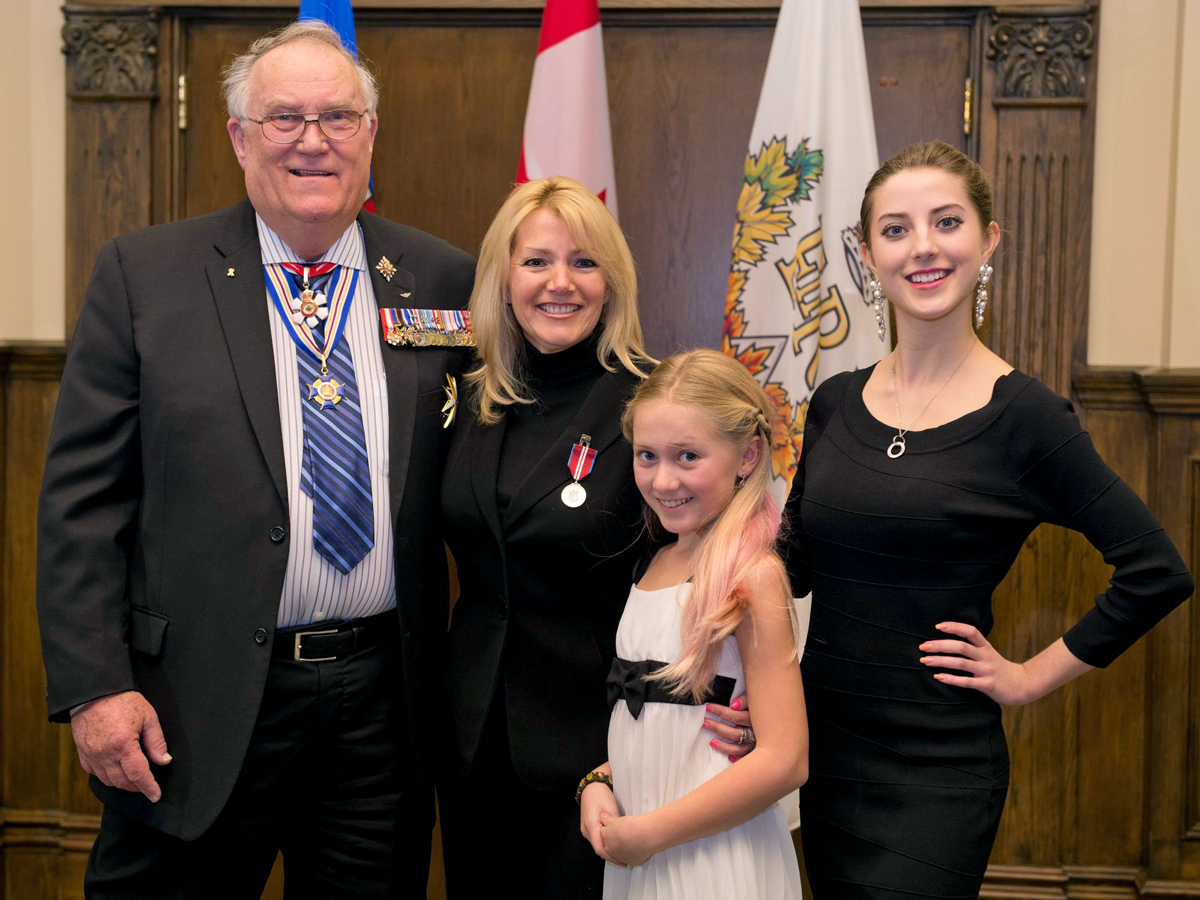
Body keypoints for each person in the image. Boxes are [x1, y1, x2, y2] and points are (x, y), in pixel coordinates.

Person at [35, 21, 475, 898]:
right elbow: (81, 505)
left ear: (371, 136)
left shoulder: (440, 280)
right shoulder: (146, 275)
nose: (313, 141)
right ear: (239, 137)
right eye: (284, 118)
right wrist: (95, 689)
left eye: (338, 118)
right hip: (188, 710)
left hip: (382, 711)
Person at [789, 140, 1194, 898]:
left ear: (988, 241)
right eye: (896, 228)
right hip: (828, 752)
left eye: (947, 222)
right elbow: (794, 563)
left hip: (939, 767)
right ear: (867, 253)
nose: (924, 247)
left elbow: (1156, 570)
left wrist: (1029, 675)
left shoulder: (1027, 417)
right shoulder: (835, 403)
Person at [438, 178, 755, 898]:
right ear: (504, 276)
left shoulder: (652, 403)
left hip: (607, 749)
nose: (560, 283)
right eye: (537, 262)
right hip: (471, 744)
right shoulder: (466, 396)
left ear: (612, 282)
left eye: (584, 262)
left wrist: (758, 694)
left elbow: (739, 550)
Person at [579, 348, 807, 899]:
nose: (662, 480)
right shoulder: (652, 564)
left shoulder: (750, 577)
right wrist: (599, 783)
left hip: (713, 854)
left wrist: (650, 832)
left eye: (687, 456)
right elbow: (660, 725)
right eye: (647, 455)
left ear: (748, 456)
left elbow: (785, 759)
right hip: (640, 848)